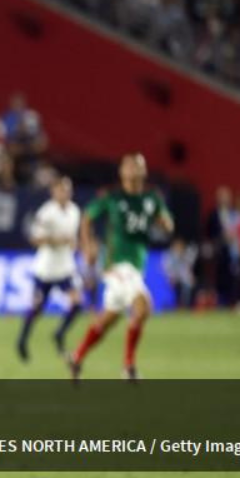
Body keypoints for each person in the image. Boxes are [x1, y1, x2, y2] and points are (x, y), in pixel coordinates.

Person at [68, 153, 174, 382]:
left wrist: (165, 224)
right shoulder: (113, 198)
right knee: (143, 307)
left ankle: (76, 357)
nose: (134, 169)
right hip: (117, 265)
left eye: (139, 165)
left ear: (144, 172)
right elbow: (86, 217)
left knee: (109, 318)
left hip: (137, 267)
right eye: (130, 165)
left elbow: (167, 222)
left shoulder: (152, 199)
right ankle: (128, 367)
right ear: (122, 172)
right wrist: (87, 246)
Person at [17, 176, 83, 362]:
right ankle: (22, 339)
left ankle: (59, 333)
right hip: (45, 269)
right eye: (61, 190)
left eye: (68, 190)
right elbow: (35, 239)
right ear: (54, 192)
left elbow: (72, 238)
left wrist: (75, 244)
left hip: (65, 267)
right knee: (37, 308)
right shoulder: (46, 212)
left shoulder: (74, 211)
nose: (65, 193)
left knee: (77, 303)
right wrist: (57, 240)